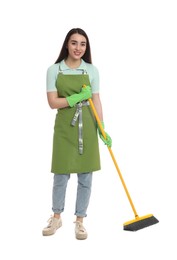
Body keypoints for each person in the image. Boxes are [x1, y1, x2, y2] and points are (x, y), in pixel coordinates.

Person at [42, 28, 112, 240]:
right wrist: (75, 98)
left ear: (86, 47)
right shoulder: (54, 70)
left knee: (85, 176)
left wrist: (102, 127)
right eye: (74, 43)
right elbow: (52, 102)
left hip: (87, 125)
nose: (78, 48)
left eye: (83, 44)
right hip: (65, 126)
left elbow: (96, 100)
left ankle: (80, 221)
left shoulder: (92, 70)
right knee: (61, 174)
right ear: (67, 44)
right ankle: (56, 217)